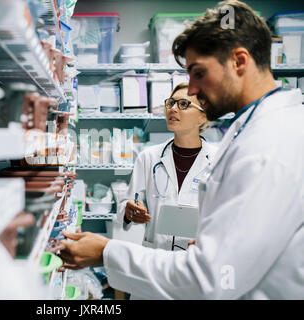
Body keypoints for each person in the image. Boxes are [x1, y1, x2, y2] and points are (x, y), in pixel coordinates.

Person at [59, 0, 304, 299]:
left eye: (198, 73)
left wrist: (107, 252)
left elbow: (211, 278)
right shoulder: (252, 129)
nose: (191, 89)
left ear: (239, 61)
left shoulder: (270, 143)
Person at [119, 82, 217, 256]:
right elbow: (127, 204)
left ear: (203, 117)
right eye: (171, 103)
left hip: (198, 257)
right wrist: (129, 212)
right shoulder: (149, 157)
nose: (173, 109)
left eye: (184, 104)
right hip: (157, 256)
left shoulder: (218, 159)